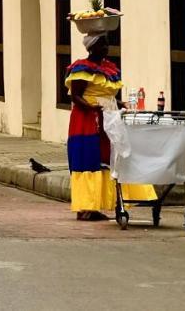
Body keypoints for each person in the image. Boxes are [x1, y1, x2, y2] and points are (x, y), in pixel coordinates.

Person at [64, 32, 154, 220]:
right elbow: (75, 96)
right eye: (102, 45)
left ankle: (101, 204)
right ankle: (86, 207)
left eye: (107, 45)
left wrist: (120, 105)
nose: (106, 48)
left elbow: (110, 96)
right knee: (88, 160)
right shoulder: (82, 68)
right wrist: (91, 107)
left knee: (107, 159)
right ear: (92, 47)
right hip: (87, 121)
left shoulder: (109, 68)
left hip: (109, 119)